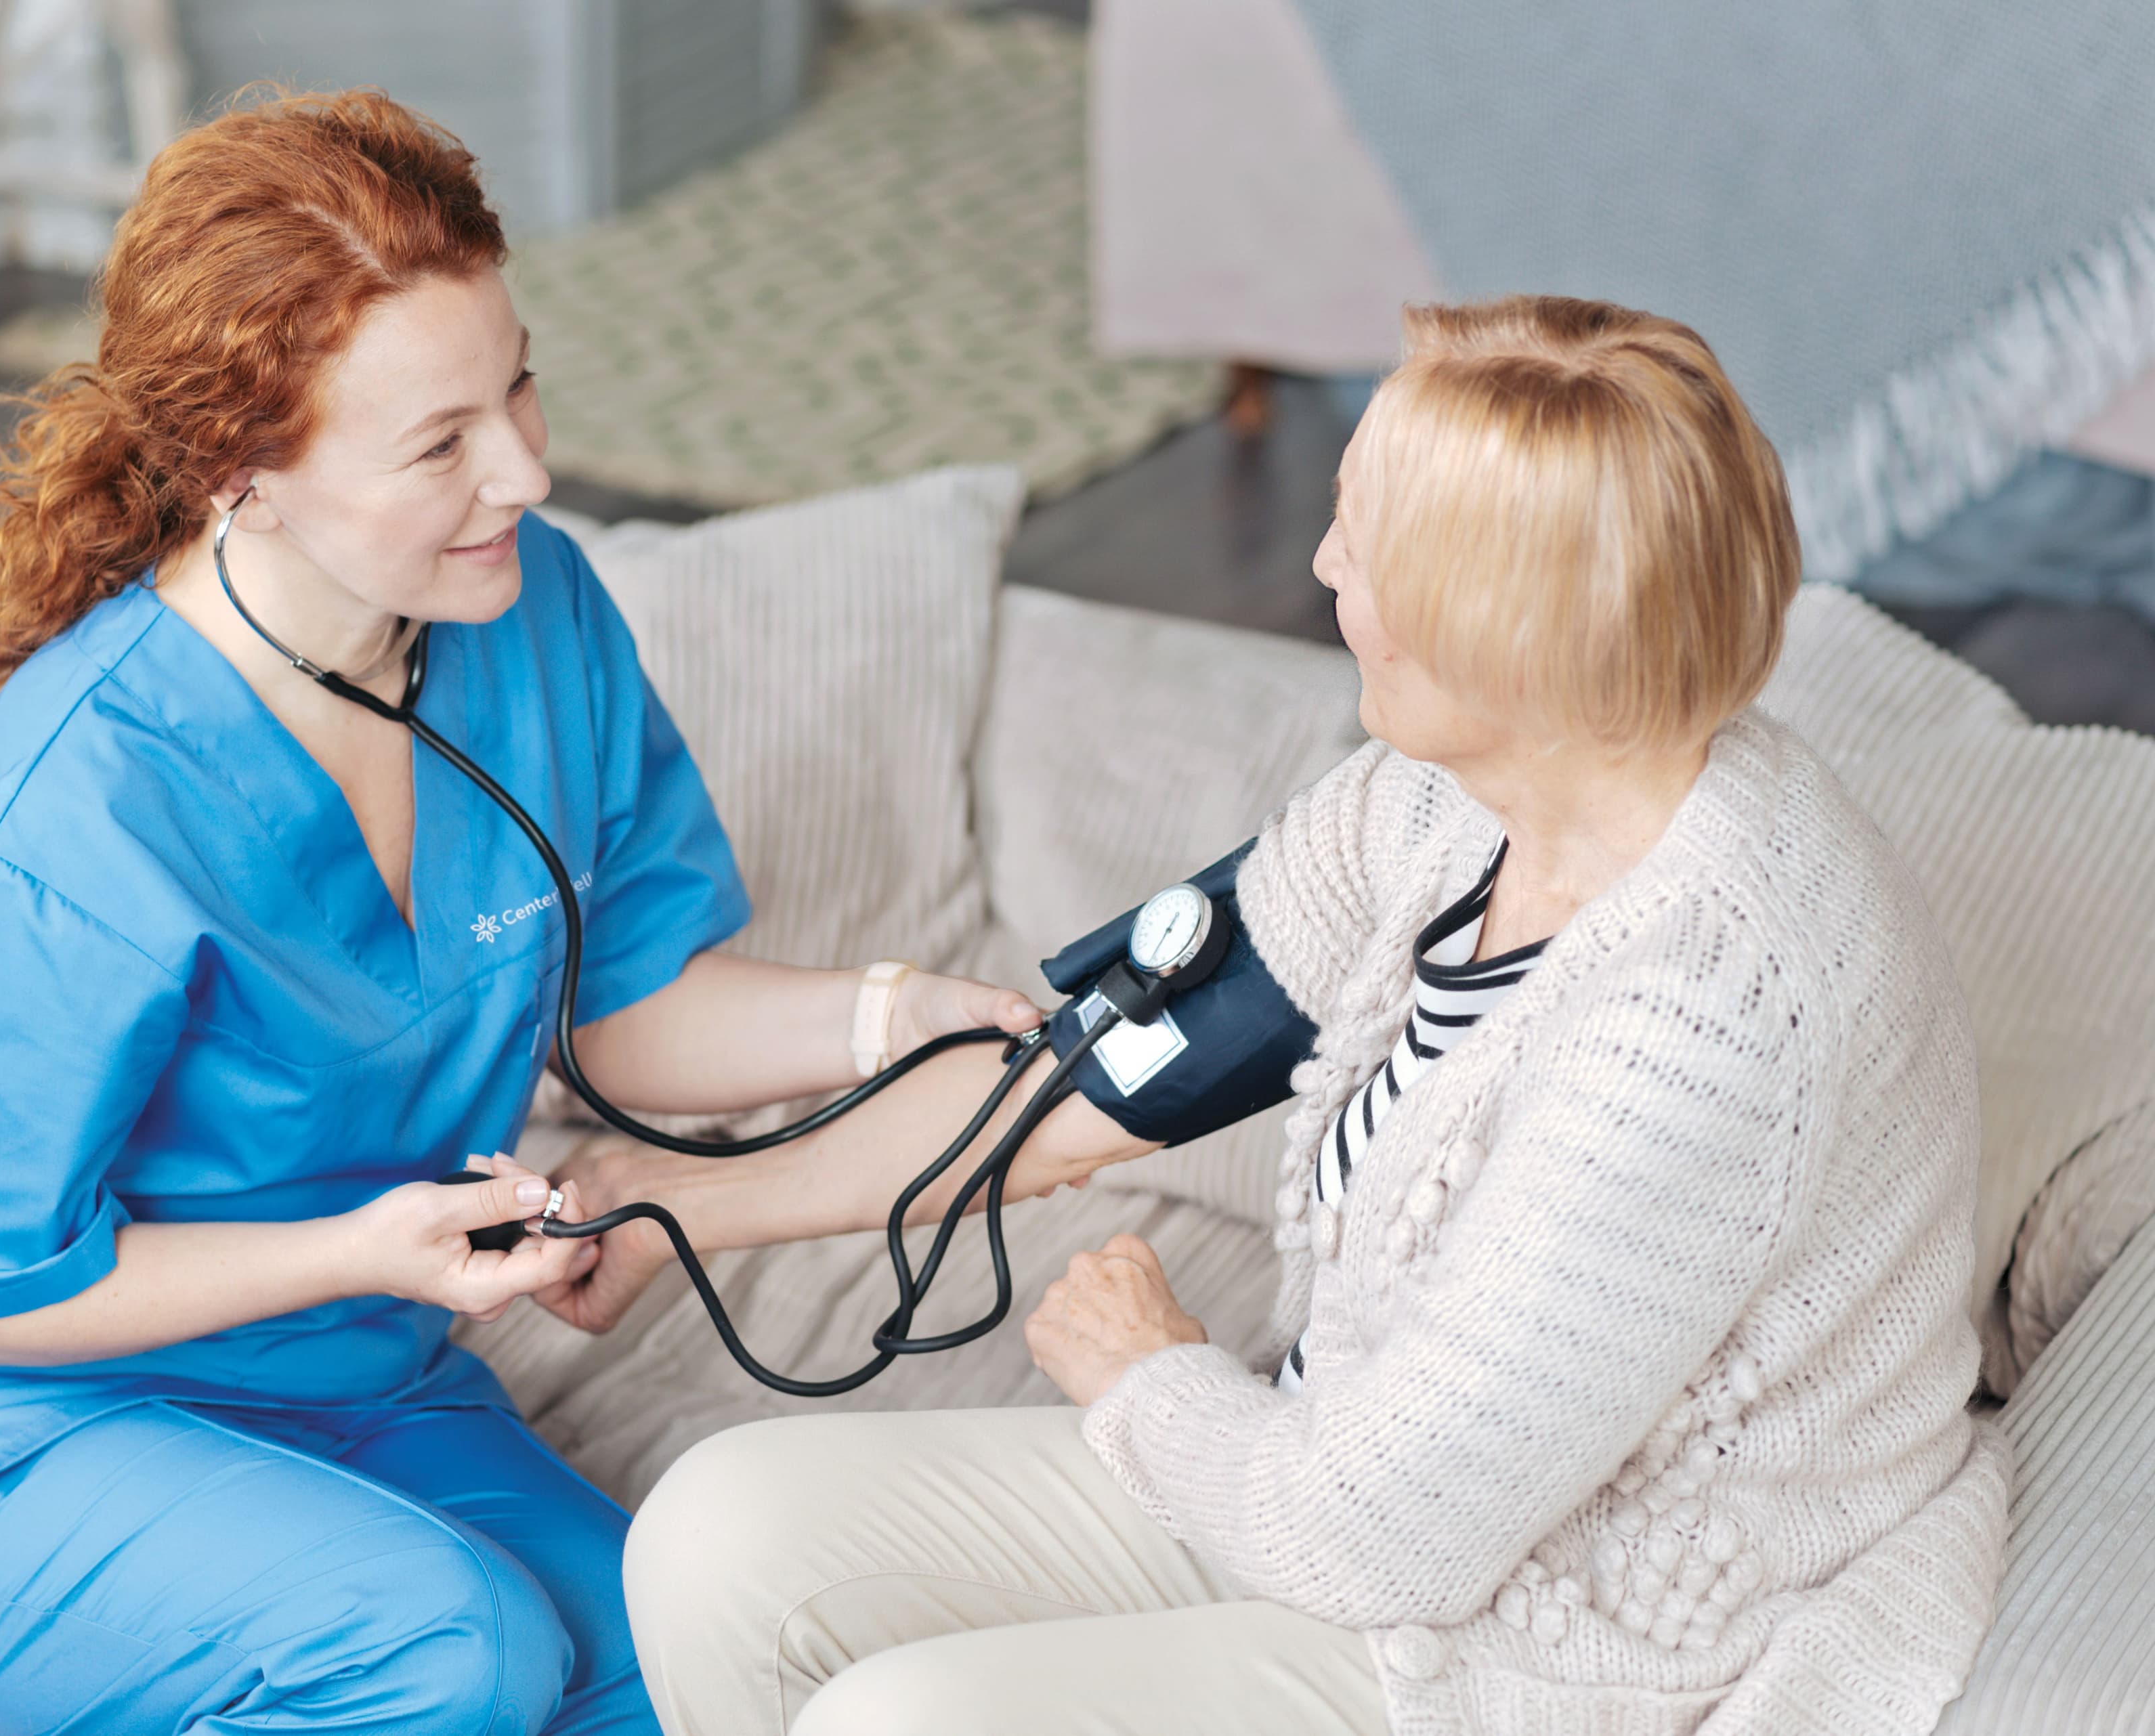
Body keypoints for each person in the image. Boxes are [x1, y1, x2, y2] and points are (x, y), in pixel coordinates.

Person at [0, 89, 1132, 1735]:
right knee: (452, 1651)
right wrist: (365, 1247)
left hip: (356, 1380)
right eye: (441, 444)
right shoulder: (77, 816)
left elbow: (630, 999)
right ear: (239, 472)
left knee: (683, 1663)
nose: (526, 468)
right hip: (9, 1432)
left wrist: (889, 1012)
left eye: (517, 387)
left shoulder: (534, 610)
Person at [605, 297, 2010, 1736]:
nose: (1324, 561)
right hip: (1336, 1469)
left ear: (1502, 631)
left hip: (1569, 1632)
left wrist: (1150, 1374)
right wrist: (675, 1202)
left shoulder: (1704, 1023)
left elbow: (1380, 1537)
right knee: (717, 1534)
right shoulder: (1450, 801)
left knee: (902, 1720)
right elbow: (1094, 1069)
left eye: (1364, 537)